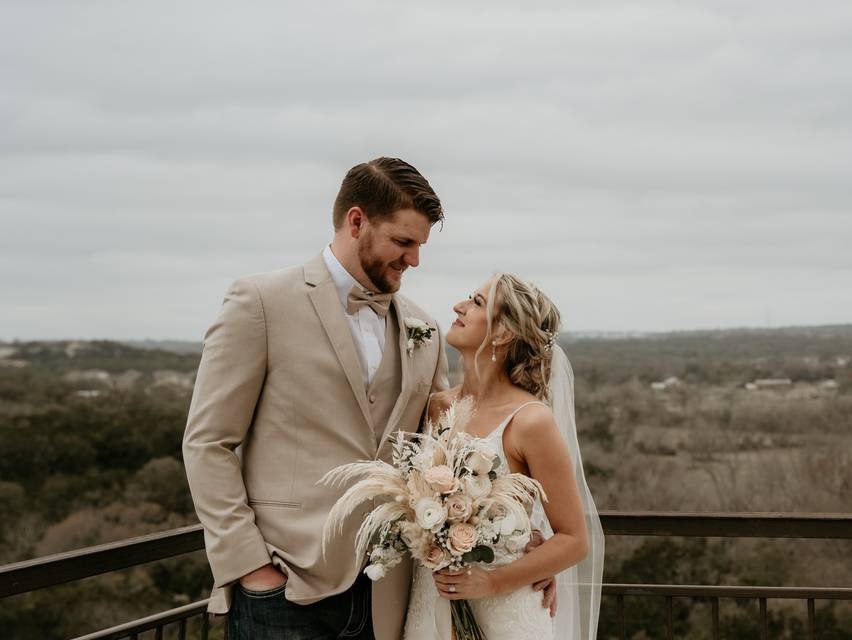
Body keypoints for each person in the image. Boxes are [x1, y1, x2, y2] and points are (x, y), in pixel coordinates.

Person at [182, 157, 450, 640]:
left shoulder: (424, 328)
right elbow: (208, 443)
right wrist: (249, 566)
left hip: (390, 595)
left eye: (420, 246)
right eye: (403, 242)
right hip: (285, 591)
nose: (414, 260)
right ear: (356, 221)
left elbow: (444, 451)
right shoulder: (260, 302)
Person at [402, 274, 604, 640]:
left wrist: (493, 582)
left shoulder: (530, 421)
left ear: (503, 333)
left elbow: (574, 538)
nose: (458, 307)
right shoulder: (436, 408)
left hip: (503, 611)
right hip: (430, 603)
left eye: (476, 303)